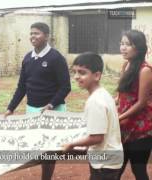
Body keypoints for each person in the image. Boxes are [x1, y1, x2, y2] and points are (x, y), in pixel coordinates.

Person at [4, 22, 71, 180]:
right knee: (38, 147)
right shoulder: (28, 58)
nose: (33, 36)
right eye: (31, 33)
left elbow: (65, 87)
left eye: (37, 33)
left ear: (46, 36)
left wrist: (51, 105)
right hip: (33, 110)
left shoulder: (56, 58)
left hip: (52, 111)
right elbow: (22, 87)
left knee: (49, 150)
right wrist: (10, 108)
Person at [63, 52, 123, 180]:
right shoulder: (104, 93)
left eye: (82, 72)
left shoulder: (95, 101)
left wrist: (72, 144)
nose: (76, 77)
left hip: (104, 164)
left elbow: (96, 138)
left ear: (96, 75)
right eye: (75, 72)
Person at [117, 30, 152, 180]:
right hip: (123, 126)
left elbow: (141, 103)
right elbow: (122, 95)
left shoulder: (145, 70)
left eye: (128, 45)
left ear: (138, 48)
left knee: (138, 170)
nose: (123, 48)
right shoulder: (126, 65)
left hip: (141, 130)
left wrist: (118, 118)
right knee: (115, 169)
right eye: (122, 43)